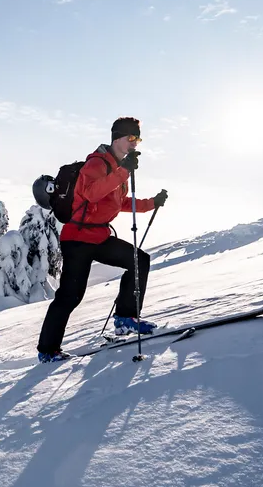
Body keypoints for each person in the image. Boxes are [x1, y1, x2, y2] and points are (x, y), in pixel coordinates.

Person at [37, 116, 169, 362]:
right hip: (77, 239)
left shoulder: (118, 167)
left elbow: (117, 203)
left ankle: (125, 319)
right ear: (117, 137)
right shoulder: (96, 163)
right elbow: (91, 193)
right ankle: (47, 350)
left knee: (139, 260)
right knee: (70, 295)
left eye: (138, 138)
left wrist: (151, 203)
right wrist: (124, 171)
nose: (135, 143)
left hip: (98, 236)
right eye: (131, 138)